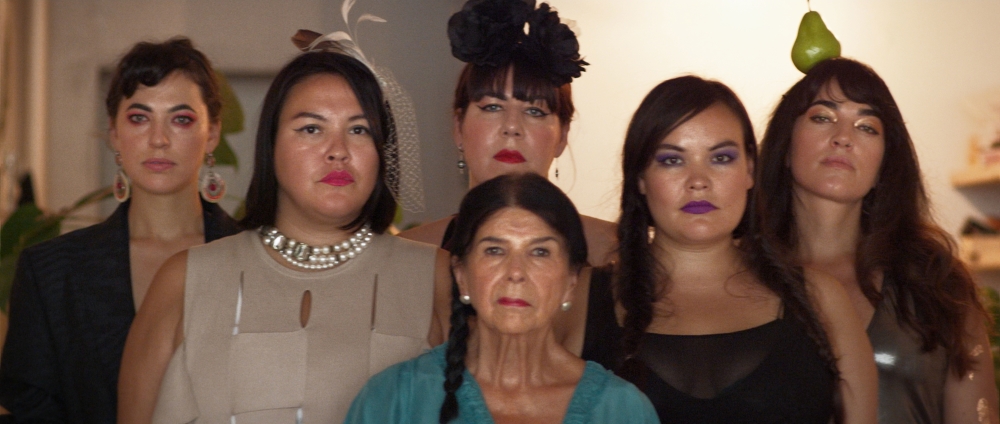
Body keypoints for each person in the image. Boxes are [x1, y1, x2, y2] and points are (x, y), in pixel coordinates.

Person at [116, 50, 449, 423]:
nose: (338, 151)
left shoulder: (434, 276)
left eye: (359, 130)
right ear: (270, 146)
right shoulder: (185, 280)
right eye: (311, 129)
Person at [576, 76, 877, 423]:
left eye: (720, 158)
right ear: (640, 178)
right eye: (672, 160)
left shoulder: (822, 299)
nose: (698, 180)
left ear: (750, 169)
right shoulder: (583, 297)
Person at [0, 37, 239, 423]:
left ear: (211, 134)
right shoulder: (49, 273)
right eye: (139, 118)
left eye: (181, 119)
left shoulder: (258, 257)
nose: (158, 139)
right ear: (113, 132)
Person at [755, 57, 999, 423]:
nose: (843, 137)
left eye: (867, 126)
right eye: (822, 117)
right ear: (785, 146)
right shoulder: (742, 276)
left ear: (885, 164)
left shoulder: (938, 283)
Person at [345, 173, 659, 424]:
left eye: (540, 252)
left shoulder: (622, 410)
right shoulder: (394, 400)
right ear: (461, 275)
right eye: (494, 250)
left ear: (571, 281)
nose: (516, 272)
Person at [398, 0, 616, 268]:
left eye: (535, 111)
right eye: (492, 107)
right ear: (458, 127)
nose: (512, 127)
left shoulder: (615, 252)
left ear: (562, 135)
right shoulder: (410, 256)